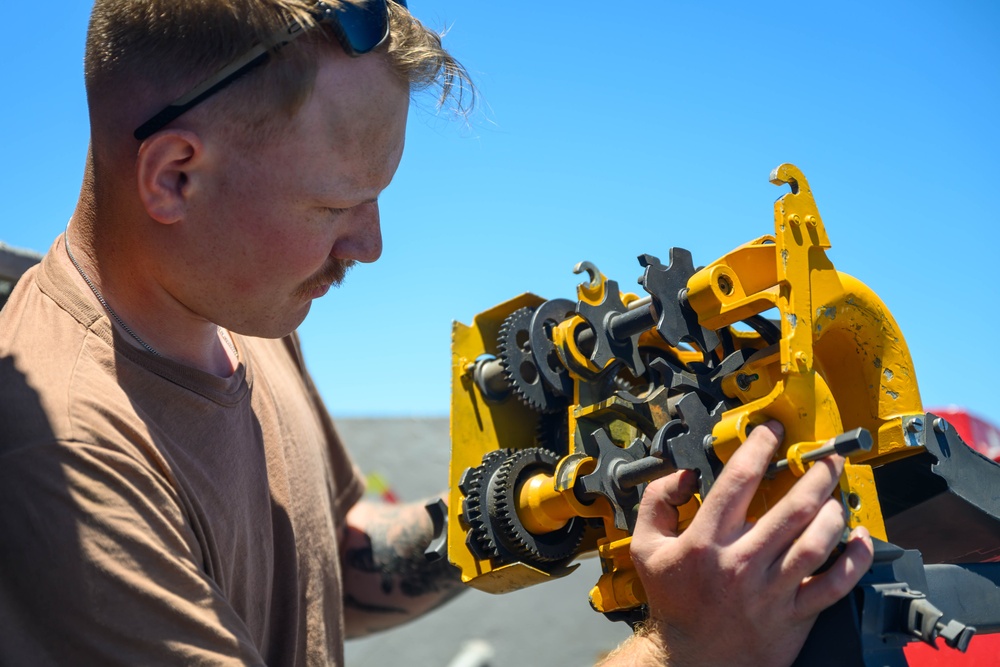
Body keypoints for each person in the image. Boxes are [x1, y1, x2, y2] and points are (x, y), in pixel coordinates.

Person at [0, 1, 873, 665]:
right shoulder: (67, 459)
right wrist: (683, 648)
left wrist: (547, 502)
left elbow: (336, 570)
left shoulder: (245, 319)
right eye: (337, 204)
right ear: (174, 177)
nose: (372, 245)